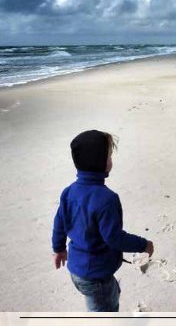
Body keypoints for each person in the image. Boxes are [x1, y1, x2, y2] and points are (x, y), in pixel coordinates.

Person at [52, 129, 154, 311]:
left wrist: (58, 249)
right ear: (100, 162)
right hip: (96, 277)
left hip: (77, 270)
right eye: (109, 155)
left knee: (107, 296)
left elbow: (59, 223)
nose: (111, 159)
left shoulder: (68, 192)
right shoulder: (107, 199)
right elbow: (115, 238)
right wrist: (143, 244)